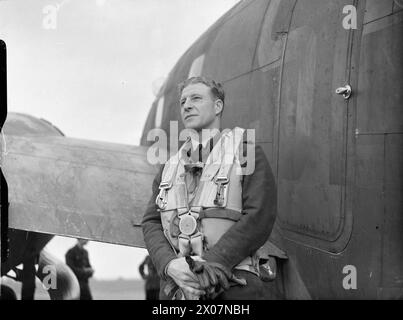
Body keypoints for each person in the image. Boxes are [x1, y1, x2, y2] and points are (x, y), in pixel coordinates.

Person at [142, 76, 281, 300]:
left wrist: (210, 266)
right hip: (177, 289)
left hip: (233, 287)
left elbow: (259, 216)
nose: (187, 105)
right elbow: (151, 222)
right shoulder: (169, 167)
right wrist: (169, 265)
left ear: (218, 106)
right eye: (183, 101)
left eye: (196, 98)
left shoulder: (246, 153)